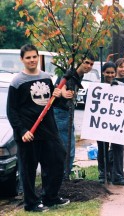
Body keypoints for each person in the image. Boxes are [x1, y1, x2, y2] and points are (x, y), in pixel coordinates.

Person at [7, 44, 69, 212]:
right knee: (28, 170)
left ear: (38, 57)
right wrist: (22, 131)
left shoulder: (46, 77)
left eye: (34, 56)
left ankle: (50, 197)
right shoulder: (17, 82)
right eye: (28, 57)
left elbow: (51, 103)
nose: (32, 60)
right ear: (22, 60)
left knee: (57, 159)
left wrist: (59, 96)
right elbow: (11, 111)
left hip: (48, 130)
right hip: (29, 132)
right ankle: (31, 204)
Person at [53, 54, 95, 176]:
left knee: (68, 148)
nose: (88, 66)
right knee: (67, 149)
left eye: (91, 64)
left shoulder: (80, 75)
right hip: (60, 113)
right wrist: (63, 92)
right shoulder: (70, 72)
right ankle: (63, 176)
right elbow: (60, 85)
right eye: (86, 62)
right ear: (79, 62)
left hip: (67, 113)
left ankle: (63, 175)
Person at [97, 62, 124, 186]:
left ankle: (117, 175)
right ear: (103, 73)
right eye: (108, 72)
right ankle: (103, 173)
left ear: (115, 73)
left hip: (116, 123)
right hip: (101, 123)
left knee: (118, 148)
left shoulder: (121, 85)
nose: (110, 75)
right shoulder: (98, 86)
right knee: (102, 148)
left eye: (112, 72)